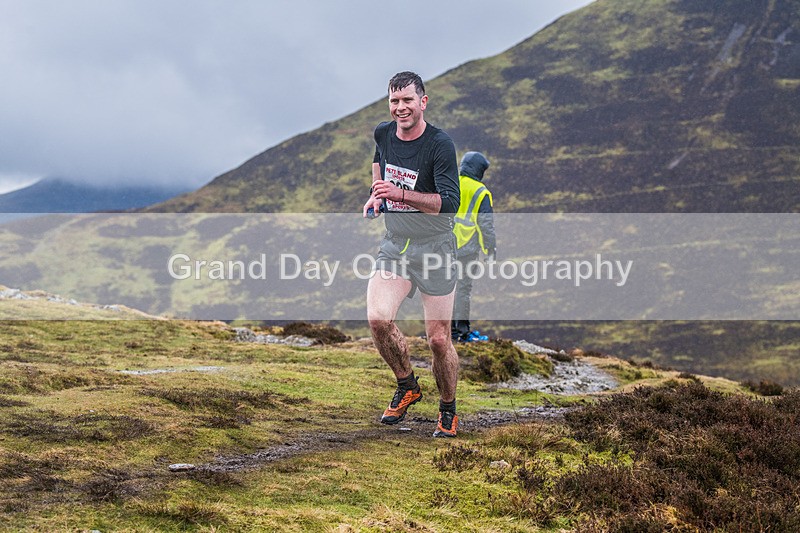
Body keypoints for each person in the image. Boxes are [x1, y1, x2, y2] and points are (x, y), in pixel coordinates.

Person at [363, 71, 461, 438]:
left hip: (436, 248)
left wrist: (400, 195)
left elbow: (449, 204)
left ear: (423, 102)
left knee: (438, 340)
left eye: (407, 100)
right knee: (378, 319)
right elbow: (379, 159)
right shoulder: (383, 133)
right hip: (396, 245)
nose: (400, 108)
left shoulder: (439, 144)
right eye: (394, 101)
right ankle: (408, 385)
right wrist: (377, 193)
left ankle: (448, 408)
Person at [451, 151, 496, 342]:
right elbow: (486, 225)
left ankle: (442, 331)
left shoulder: (450, 182)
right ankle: (461, 333)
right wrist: (490, 251)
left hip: (442, 245)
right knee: (463, 290)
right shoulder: (481, 191)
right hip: (467, 249)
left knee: (442, 289)